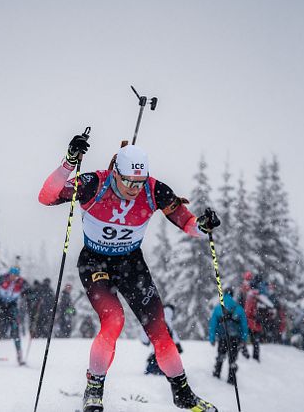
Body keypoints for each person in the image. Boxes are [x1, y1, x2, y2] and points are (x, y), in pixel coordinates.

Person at [38, 135, 220, 412]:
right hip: (95, 263)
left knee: (159, 329)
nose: (135, 188)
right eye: (128, 181)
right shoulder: (93, 184)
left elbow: (187, 223)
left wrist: (203, 225)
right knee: (114, 320)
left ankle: (182, 393)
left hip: (131, 264)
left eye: (140, 181)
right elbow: (46, 197)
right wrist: (69, 162)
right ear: (115, 173)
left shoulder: (155, 190)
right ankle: (94, 390)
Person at [208, 289, 249, 385]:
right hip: (235, 338)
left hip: (223, 337)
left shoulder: (218, 308)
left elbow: (213, 324)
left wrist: (212, 338)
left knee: (221, 356)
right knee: (233, 358)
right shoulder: (238, 308)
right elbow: (244, 325)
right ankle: (231, 379)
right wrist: (244, 339)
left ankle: (217, 373)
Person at [140, 304, 182, 375]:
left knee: (155, 363)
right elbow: (174, 337)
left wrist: (146, 341)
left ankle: (154, 369)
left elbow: (145, 337)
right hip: (168, 353)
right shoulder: (168, 322)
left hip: (156, 352)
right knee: (168, 366)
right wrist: (178, 346)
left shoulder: (153, 319)